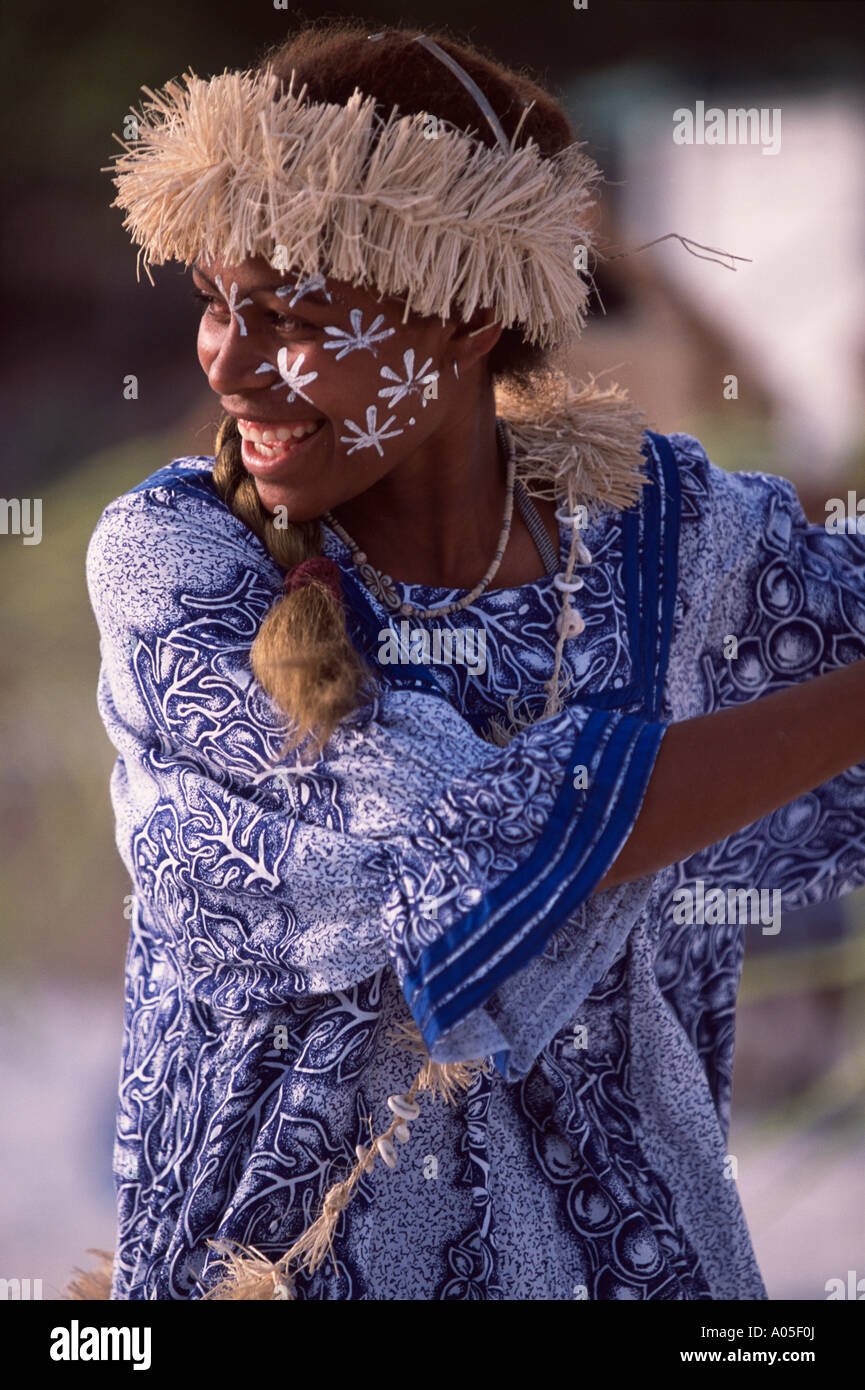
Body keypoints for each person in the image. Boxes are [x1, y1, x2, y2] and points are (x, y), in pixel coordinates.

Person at [82, 19, 865, 1300]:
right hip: (273, 1269)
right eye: (220, 301)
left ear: (464, 316)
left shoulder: (673, 537)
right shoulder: (178, 559)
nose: (228, 356)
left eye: (294, 313)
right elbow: (465, 845)